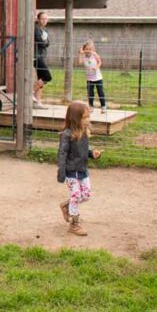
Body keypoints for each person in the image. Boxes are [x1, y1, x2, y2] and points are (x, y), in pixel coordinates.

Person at [56, 101, 101, 236]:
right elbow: (62, 154)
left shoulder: (84, 133)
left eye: (88, 117)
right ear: (76, 119)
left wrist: (92, 154)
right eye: (85, 117)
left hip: (82, 170)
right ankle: (74, 224)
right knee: (76, 196)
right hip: (71, 172)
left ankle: (66, 205)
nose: (88, 120)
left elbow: (84, 150)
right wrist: (62, 172)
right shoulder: (67, 135)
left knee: (86, 195)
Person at [79, 40, 107, 112]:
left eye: (89, 49)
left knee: (100, 92)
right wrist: (80, 53)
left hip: (98, 77)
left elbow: (100, 62)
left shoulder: (94, 55)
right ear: (84, 49)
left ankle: (103, 106)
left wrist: (96, 67)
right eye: (86, 49)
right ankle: (91, 107)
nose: (88, 51)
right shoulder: (84, 57)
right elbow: (79, 62)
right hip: (89, 78)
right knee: (90, 93)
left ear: (92, 49)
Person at [33, 11, 51, 108]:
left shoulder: (45, 31)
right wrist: (44, 42)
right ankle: (31, 93)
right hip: (36, 56)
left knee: (41, 79)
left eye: (46, 19)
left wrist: (44, 42)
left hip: (42, 56)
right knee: (47, 77)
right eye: (42, 19)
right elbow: (41, 43)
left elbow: (48, 43)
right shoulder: (36, 29)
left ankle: (37, 102)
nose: (44, 21)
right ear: (38, 19)